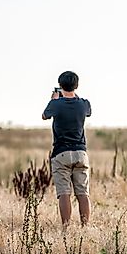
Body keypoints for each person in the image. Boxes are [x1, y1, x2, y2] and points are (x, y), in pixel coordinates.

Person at [42, 71, 92, 228]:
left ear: (60, 85)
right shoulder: (84, 103)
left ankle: (66, 228)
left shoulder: (56, 104)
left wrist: (54, 100)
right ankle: (85, 227)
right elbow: (87, 111)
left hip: (61, 153)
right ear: (76, 85)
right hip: (80, 153)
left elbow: (44, 115)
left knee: (64, 193)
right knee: (83, 193)